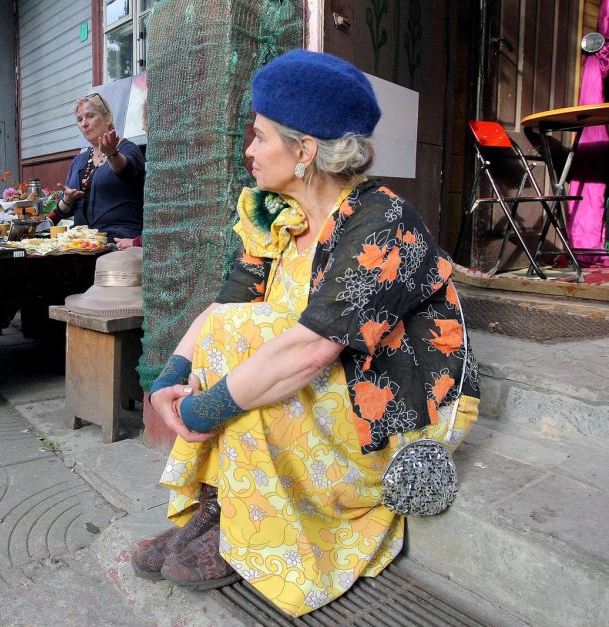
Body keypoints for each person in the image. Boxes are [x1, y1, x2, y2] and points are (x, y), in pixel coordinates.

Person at [131, 50, 481, 618]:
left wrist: (200, 410)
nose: (248, 150)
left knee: (263, 347)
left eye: (259, 136)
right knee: (243, 329)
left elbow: (310, 350)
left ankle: (249, 531)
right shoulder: (278, 215)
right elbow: (223, 310)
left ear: (304, 151)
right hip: (324, 377)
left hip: (391, 404)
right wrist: (172, 375)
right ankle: (223, 507)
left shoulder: (383, 222)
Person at [53, 93, 145, 245]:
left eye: (90, 116)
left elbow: (126, 170)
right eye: (79, 119)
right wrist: (67, 199)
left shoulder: (127, 148)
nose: (84, 124)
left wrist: (112, 154)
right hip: (81, 241)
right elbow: (64, 212)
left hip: (118, 238)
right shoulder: (79, 160)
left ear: (108, 118)